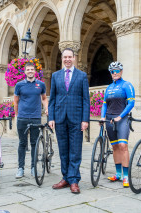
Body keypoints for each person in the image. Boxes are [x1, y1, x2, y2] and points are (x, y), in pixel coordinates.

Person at [48, 48, 90, 194]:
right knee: (63, 150)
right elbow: (52, 99)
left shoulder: (82, 76)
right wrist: (51, 117)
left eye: (69, 57)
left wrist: (85, 119)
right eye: (65, 57)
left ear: (74, 58)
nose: (67, 59)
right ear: (62, 58)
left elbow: (86, 99)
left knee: (75, 151)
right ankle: (65, 177)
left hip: (76, 118)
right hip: (59, 118)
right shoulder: (55, 76)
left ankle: (74, 180)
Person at [100, 61, 135, 188]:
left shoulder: (127, 85)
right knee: (115, 147)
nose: (114, 73)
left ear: (121, 71)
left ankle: (126, 176)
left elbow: (131, 103)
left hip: (122, 118)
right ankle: (118, 174)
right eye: (112, 71)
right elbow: (104, 104)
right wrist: (102, 117)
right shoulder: (109, 88)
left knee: (123, 145)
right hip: (109, 119)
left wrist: (120, 116)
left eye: (117, 71)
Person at [14, 62, 48, 178]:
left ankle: (33, 168)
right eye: (28, 69)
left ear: (35, 71)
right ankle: (20, 168)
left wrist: (47, 108)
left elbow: (44, 98)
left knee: (34, 143)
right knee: (22, 143)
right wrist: (17, 114)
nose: (30, 71)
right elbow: (16, 101)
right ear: (25, 72)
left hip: (35, 117)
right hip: (22, 117)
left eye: (32, 69)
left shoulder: (41, 85)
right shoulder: (19, 85)